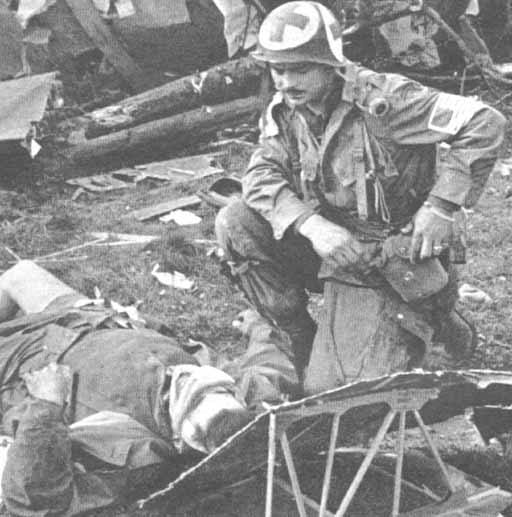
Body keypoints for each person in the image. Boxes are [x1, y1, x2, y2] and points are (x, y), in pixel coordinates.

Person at [215, 1, 506, 390]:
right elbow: (260, 174)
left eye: (299, 69)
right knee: (235, 222)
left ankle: (440, 319)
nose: (285, 82)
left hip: (397, 255)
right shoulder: (286, 110)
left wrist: (441, 207)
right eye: (277, 69)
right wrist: (311, 225)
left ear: (331, 65)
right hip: (335, 247)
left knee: (344, 394)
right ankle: (299, 336)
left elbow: (485, 122)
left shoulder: (387, 101)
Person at [0, 260, 298, 517]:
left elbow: (34, 500)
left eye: (188, 397)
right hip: (90, 321)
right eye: (209, 389)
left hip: (28, 360)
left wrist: (47, 405)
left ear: (183, 439)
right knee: (22, 273)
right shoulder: (239, 401)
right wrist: (257, 327)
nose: (188, 379)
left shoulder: (139, 456)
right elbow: (270, 364)